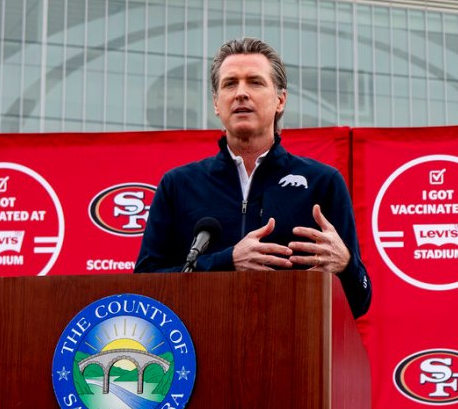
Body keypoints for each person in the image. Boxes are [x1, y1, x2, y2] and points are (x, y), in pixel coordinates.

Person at [134, 37, 371, 318]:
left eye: (255, 82)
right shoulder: (178, 184)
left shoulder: (323, 182)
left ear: (280, 100)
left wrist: (346, 265)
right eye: (230, 83)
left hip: (294, 353)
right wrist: (227, 261)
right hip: (200, 353)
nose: (241, 93)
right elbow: (145, 287)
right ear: (216, 103)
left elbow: (360, 302)